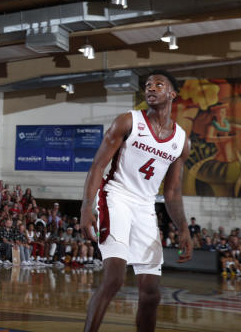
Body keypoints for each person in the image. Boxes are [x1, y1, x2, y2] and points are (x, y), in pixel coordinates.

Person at [80, 70, 192, 332]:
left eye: (158, 84)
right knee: (114, 279)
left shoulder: (180, 141)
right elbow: (97, 165)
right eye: (148, 85)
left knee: (152, 293)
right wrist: (86, 206)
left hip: (145, 205)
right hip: (115, 196)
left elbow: (173, 192)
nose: (151, 88)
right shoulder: (128, 121)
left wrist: (183, 228)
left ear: (172, 94)